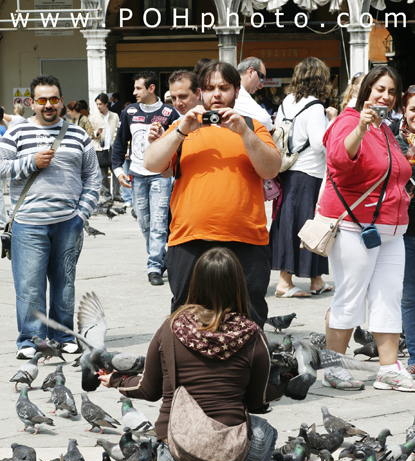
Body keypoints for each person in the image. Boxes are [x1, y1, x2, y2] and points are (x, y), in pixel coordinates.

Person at [99, 247, 285, 461]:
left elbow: (148, 389)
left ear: (195, 283)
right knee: (265, 430)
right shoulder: (252, 335)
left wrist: (116, 381)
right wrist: (283, 387)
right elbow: (257, 402)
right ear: (239, 284)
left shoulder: (171, 328)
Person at [144, 60, 281, 328]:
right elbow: (151, 163)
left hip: (246, 241)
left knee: (249, 318)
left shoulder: (253, 126)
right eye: (209, 88)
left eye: (224, 87)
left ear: (237, 91)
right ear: (200, 93)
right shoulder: (183, 128)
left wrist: (243, 132)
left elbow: (270, 168)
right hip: (189, 239)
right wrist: (181, 131)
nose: (216, 94)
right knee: (186, 319)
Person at [319, 65, 414, 392]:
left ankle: (388, 369)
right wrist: (359, 128)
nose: (385, 96)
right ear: (365, 91)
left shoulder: (385, 129)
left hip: (392, 230)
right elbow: (339, 160)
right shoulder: (348, 122)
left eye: (391, 91)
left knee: (388, 297)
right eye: (379, 89)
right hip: (355, 227)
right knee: (351, 297)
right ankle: (334, 366)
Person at [0, 74, 101, 359]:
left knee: (64, 283)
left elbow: (93, 177)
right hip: (28, 223)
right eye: (42, 100)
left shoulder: (79, 134)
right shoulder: (17, 133)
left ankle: (63, 335)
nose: (48, 105)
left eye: (54, 99)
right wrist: (30, 162)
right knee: (29, 286)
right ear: (31, 103)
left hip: (68, 222)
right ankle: (31, 341)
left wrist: (81, 214)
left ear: (61, 100)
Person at [270, 57, 337, 298]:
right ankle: (284, 282)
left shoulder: (287, 101)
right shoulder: (316, 107)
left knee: (294, 222)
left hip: (288, 170)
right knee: (304, 225)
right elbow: (320, 144)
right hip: (309, 172)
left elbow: (278, 131)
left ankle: (316, 279)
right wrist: (332, 121)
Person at [112, 71, 180, 286]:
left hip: (161, 175)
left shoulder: (170, 113)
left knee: (160, 222)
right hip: (137, 176)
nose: (134, 92)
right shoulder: (129, 112)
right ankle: (161, 258)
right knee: (145, 223)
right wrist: (117, 170)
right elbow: (120, 143)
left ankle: (153, 267)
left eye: (138, 88)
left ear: (151, 88)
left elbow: (180, 144)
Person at [395, 85, 415, 378]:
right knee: (410, 295)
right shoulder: (396, 142)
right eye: (413, 109)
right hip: (407, 228)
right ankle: (414, 355)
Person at [89, 93, 122, 202]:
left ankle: (117, 194)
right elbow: (89, 134)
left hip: (113, 148)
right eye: (97, 104)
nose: (98, 106)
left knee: (116, 173)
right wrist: (96, 133)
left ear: (106, 104)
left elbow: (119, 131)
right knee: (103, 175)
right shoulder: (93, 118)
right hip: (100, 149)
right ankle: (107, 195)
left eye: (100, 104)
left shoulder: (115, 116)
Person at [234, 57, 273, 131]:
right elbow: (265, 121)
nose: (262, 84)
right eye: (261, 77)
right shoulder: (238, 92)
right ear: (250, 72)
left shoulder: (238, 90)